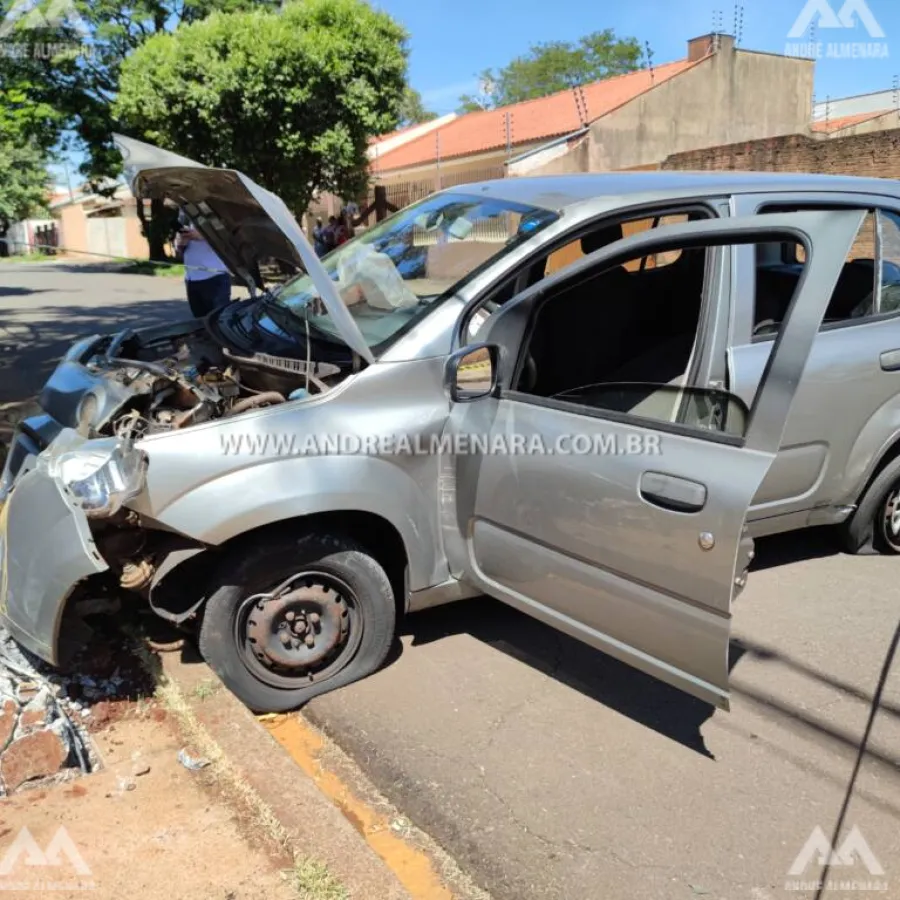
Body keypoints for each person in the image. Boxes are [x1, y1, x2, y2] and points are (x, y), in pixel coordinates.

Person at [174, 211, 232, 318]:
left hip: (215, 277)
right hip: (192, 279)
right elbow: (178, 250)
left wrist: (202, 236)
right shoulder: (185, 219)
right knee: (199, 323)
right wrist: (182, 242)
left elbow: (227, 237)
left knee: (218, 321)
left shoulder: (214, 215)